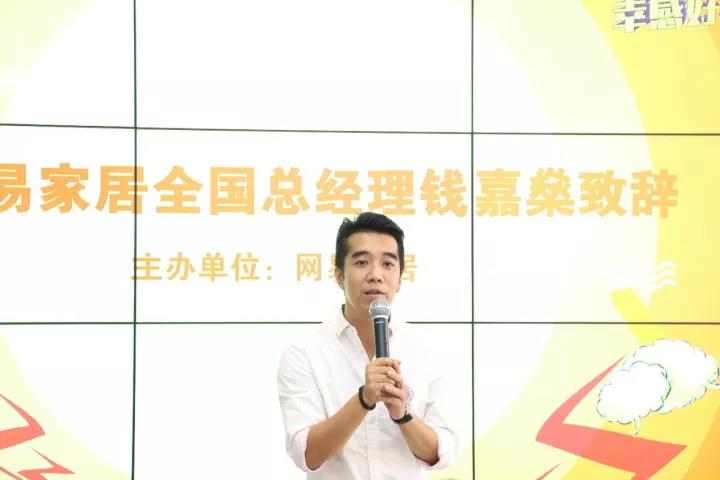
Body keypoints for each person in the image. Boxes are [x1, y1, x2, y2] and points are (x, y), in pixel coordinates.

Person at [277, 212, 458, 479]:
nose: (376, 275)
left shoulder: (425, 350)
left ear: (400, 278)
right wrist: (363, 399)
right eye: (362, 262)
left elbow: (441, 453)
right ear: (339, 275)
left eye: (388, 264)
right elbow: (306, 454)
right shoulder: (304, 352)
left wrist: (403, 415)